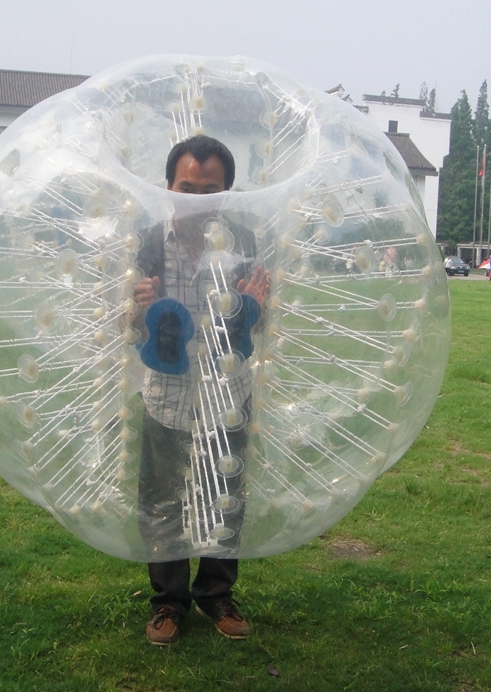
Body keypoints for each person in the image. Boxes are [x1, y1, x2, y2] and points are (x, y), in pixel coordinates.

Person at [132, 135, 270, 646]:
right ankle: (168, 602)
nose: (196, 199)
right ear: (168, 187)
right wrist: (133, 305)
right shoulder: (147, 243)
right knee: (161, 500)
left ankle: (217, 595)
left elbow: (259, 321)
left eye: (208, 191)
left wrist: (255, 305)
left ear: (226, 194)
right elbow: (127, 326)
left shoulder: (245, 241)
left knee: (224, 495)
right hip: (166, 392)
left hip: (225, 391)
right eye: (186, 188)